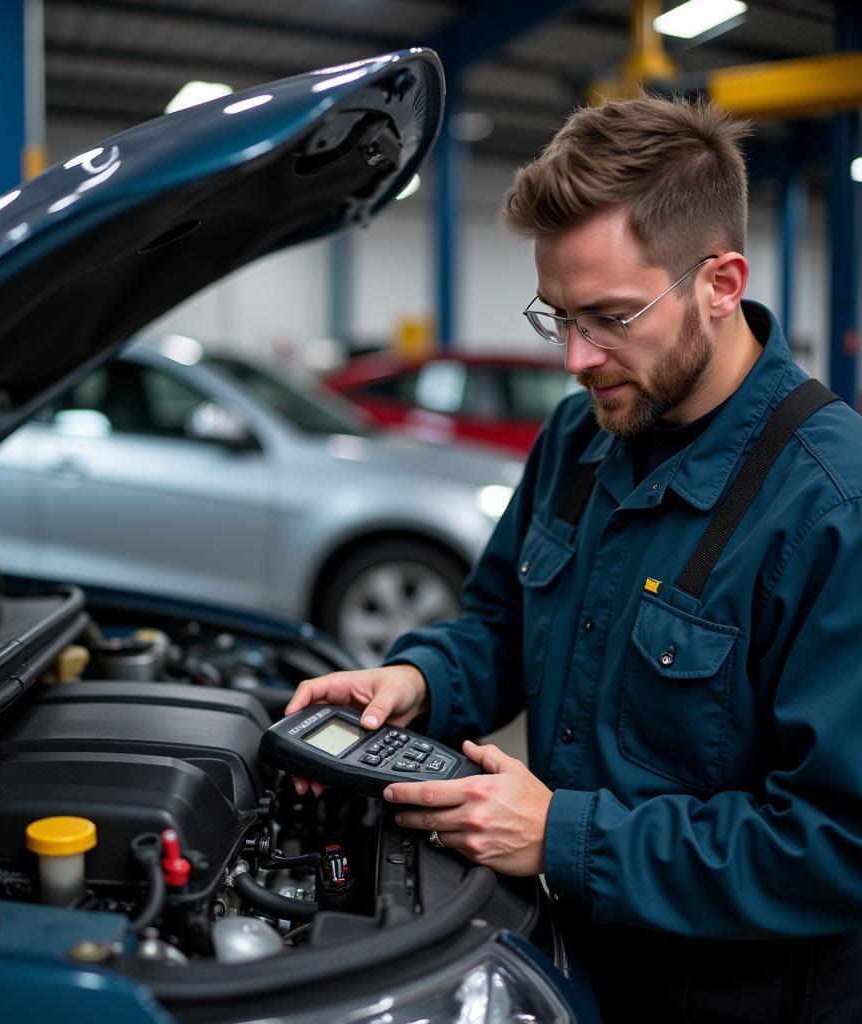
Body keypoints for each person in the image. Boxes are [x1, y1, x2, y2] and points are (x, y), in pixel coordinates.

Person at [286, 93, 862, 1021]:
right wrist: (416, 682)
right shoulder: (580, 436)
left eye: (609, 318)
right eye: (556, 316)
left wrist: (564, 836)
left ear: (720, 283)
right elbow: (503, 624)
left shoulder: (833, 509)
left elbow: (838, 844)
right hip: (570, 966)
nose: (576, 359)